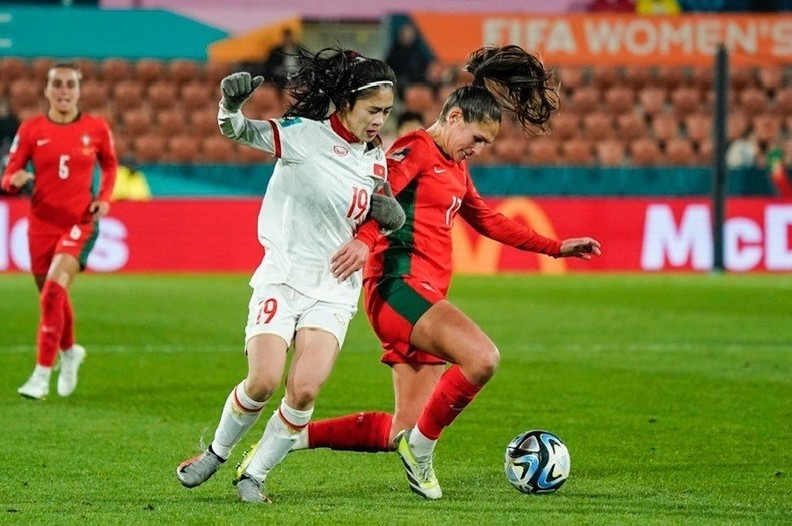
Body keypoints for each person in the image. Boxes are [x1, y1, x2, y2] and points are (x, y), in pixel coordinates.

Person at [290, 45, 602, 500]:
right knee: (482, 358)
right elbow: (379, 201)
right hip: (398, 287)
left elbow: (489, 221)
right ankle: (422, 452)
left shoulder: (454, 167)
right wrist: (365, 241)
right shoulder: (414, 149)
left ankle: (288, 438)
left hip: (422, 294)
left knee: (402, 428)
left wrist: (557, 248)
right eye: (475, 139)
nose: (476, 150)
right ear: (453, 117)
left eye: (485, 146)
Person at [175, 48, 405, 503]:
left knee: (303, 390)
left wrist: (370, 237)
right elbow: (237, 130)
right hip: (282, 276)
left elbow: (377, 214)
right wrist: (230, 105)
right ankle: (217, 453)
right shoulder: (302, 136)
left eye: (386, 112)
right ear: (346, 104)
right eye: (373, 110)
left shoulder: (375, 159)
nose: (381, 121)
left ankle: (253, 475)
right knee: (262, 381)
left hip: (334, 290)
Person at [1, 62, 118, 400]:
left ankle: (40, 375)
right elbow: (8, 174)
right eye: (58, 85)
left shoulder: (96, 128)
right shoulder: (32, 129)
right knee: (51, 297)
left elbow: (110, 165)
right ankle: (70, 352)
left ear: (79, 91)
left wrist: (104, 199)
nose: (64, 91)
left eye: (70, 85)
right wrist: (14, 180)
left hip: (80, 222)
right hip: (40, 226)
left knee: (53, 291)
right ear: (47, 90)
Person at [385, 23, 432, 90]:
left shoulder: (418, 52)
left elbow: (425, 69)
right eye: (405, 35)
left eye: (410, 35)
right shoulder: (394, 52)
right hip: (399, 83)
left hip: (417, 82)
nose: (408, 37)